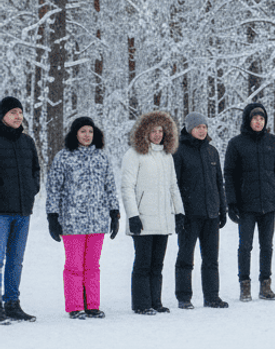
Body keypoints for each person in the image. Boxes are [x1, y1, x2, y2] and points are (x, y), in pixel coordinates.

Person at [44, 116, 119, 319]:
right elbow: (53, 189)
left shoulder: (101, 157)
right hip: (72, 220)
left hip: (98, 220)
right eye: (83, 131)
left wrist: (114, 212)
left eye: (90, 131)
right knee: (74, 266)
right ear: (75, 133)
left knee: (93, 266)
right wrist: (52, 215)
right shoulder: (64, 157)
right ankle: (75, 306)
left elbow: (110, 187)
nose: (87, 135)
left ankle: (92, 305)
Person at [121, 110, 184, 315]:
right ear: (144, 132)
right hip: (143, 218)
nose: (157, 135)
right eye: (153, 130)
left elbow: (173, 186)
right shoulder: (134, 154)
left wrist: (179, 212)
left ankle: (156, 301)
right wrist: (132, 215)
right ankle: (141, 303)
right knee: (143, 263)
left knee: (157, 263)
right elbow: (127, 187)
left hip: (163, 219)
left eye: (160, 131)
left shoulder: (167, 155)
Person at [225, 102, 275, 302]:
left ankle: (265, 286)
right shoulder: (236, 144)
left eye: (261, 118)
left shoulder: (273, 142)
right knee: (245, 246)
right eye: (254, 118)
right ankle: (245, 286)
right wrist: (231, 203)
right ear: (248, 120)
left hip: (268, 203)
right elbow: (230, 175)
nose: (258, 122)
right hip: (246, 205)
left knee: (267, 245)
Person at [173, 113, 228, 309]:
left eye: (204, 126)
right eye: (198, 127)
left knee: (211, 259)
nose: (202, 130)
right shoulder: (179, 152)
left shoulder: (212, 152)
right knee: (186, 258)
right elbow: (175, 185)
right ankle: (184, 297)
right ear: (189, 129)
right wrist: (178, 212)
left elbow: (218, 183)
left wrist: (222, 208)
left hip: (211, 214)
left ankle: (212, 296)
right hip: (189, 216)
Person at [0, 96, 41, 323]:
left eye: (20, 112)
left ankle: (12, 303)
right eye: (13, 112)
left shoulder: (27, 142)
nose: (18, 116)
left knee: (16, 260)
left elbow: (36, 170)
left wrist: (32, 189)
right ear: (3, 115)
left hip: (23, 211)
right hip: (1, 212)